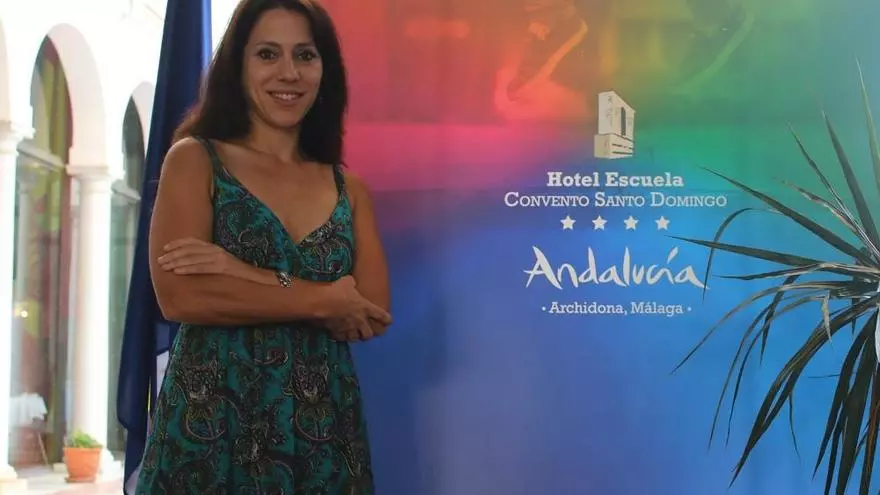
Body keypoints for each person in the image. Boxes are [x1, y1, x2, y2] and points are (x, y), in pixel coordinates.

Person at [134, 0, 392, 493]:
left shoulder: (349, 188)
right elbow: (182, 297)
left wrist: (237, 270)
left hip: (323, 427)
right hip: (211, 422)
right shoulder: (195, 160)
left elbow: (371, 312)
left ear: (325, 69)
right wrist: (322, 298)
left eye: (305, 55)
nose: (288, 72)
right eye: (268, 54)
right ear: (238, 65)